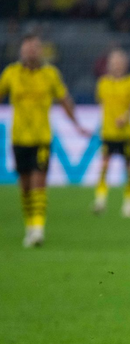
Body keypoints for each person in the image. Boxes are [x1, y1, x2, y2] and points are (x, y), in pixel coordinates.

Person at [0, 34, 90, 247]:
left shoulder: (50, 74)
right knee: (24, 186)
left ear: (41, 51)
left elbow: (64, 100)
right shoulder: (11, 73)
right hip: (19, 138)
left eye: (35, 47)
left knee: (38, 180)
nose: (31, 51)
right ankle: (30, 226)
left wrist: (77, 124)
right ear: (21, 51)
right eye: (28, 47)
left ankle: (38, 229)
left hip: (42, 138)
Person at [93, 48, 130, 217]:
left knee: (129, 169)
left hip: (126, 133)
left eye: (119, 62)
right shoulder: (103, 83)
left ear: (125, 64)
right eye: (114, 63)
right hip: (108, 132)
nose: (117, 66)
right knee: (104, 167)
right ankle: (100, 199)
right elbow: (100, 102)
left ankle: (129, 202)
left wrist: (126, 115)